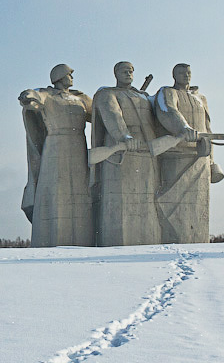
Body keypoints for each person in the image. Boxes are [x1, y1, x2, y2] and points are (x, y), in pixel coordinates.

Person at [19, 64, 94, 247]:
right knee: (55, 189)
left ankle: (83, 238)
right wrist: (27, 96)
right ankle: (52, 237)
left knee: (80, 190)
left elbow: (98, 114)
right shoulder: (48, 95)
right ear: (59, 77)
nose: (72, 78)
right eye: (69, 74)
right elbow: (34, 96)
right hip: (56, 144)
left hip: (78, 144)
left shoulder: (80, 98)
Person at [91, 61, 161, 246]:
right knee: (120, 200)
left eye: (131, 71)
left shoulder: (143, 96)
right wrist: (124, 136)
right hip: (120, 152)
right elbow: (113, 116)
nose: (128, 73)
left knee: (146, 198)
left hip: (145, 149)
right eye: (124, 71)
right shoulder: (107, 94)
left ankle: (147, 240)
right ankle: (116, 242)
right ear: (116, 74)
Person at [153, 63, 218, 243]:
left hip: (200, 156)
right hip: (177, 155)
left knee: (198, 206)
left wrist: (212, 159)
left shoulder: (200, 98)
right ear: (174, 75)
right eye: (181, 73)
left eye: (188, 72)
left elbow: (207, 126)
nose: (186, 75)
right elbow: (168, 111)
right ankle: (173, 240)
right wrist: (184, 128)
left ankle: (196, 241)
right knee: (171, 203)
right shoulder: (167, 92)